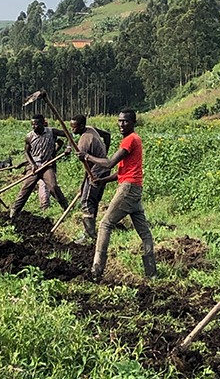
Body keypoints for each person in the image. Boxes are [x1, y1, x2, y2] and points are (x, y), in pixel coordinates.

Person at [76, 109, 157, 279]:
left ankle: (97, 270)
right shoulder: (133, 140)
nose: (121, 124)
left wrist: (87, 156)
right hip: (134, 189)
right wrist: (102, 181)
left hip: (128, 190)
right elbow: (122, 172)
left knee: (105, 224)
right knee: (145, 233)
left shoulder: (130, 140)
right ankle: (151, 273)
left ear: (133, 122)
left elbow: (109, 163)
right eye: (119, 121)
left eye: (125, 121)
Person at [10, 114, 69, 218]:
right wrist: (32, 165)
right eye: (32, 124)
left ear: (42, 124)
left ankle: (66, 207)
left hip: (47, 165)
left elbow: (69, 135)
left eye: (36, 124)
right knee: (25, 189)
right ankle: (14, 212)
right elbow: (27, 152)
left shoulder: (51, 132)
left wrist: (68, 147)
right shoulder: (29, 136)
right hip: (35, 166)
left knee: (53, 187)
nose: (34, 127)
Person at [69, 114, 111, 242]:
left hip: (96, 172)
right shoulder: (91, 128)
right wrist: (104, 156)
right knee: (94, 200)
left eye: (74, 128)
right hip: (105, 169)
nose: (72, 130)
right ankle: (92, 232)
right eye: (71, 127)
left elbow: (88, 166)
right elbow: (107, 135)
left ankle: (89, 236)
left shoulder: (83, 142)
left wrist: (83, 185)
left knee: (86, 201)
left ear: (81, 126)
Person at [37, 118, 64, 211]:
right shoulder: (36, 136)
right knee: (44, 184)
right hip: (40, 164)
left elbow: (56, 147)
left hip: (49, 163)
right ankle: (45, 204)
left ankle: (45, 204)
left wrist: (56, 149)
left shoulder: (51, 133)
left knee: (47, 184)